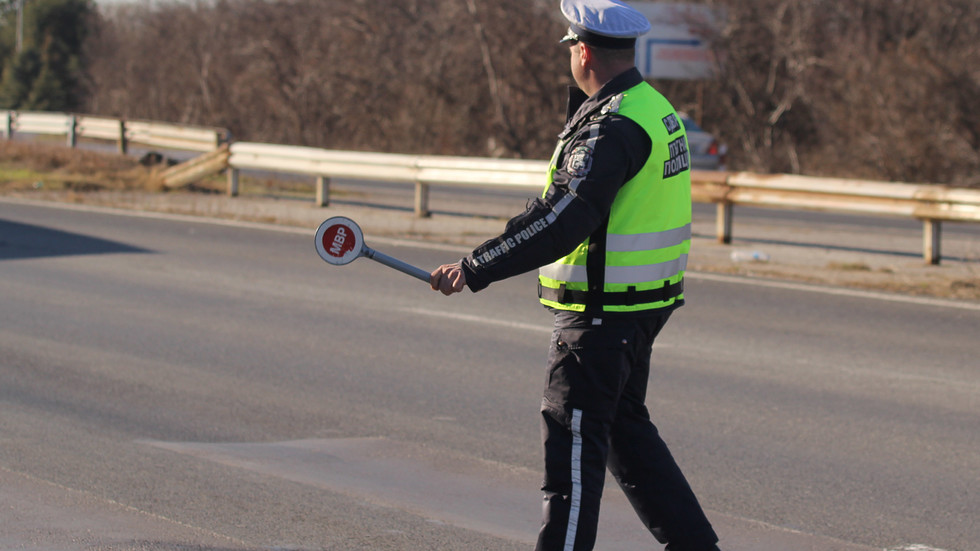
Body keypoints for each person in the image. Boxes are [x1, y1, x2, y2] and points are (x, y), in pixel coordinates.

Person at [430, 1, 721, 549]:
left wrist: (475, 267)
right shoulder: (652, 107)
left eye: (570, 47)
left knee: (574, 457)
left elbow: (562, 219)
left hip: (600, 318)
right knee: (625, 434)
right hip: (636, 309)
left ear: (582, 51)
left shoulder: (611, 126)